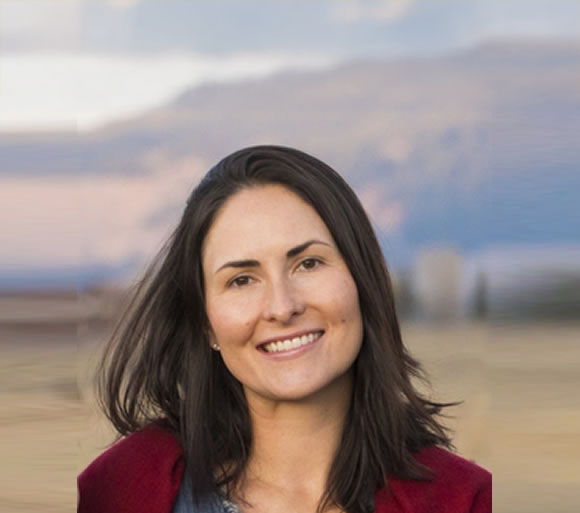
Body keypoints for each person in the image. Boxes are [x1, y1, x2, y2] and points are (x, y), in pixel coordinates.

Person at [78, 145, 491, 513]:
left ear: (362, 282)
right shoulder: (117, 489)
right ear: (205, 323)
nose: (282, 307)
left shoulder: (465, 499)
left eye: (308, 263)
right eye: (241, 279)